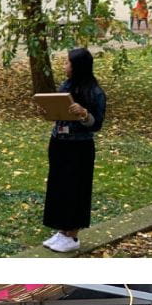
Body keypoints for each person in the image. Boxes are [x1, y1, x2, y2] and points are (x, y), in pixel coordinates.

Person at [41, 47, 105, 253]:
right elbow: (59, 114)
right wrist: (47, 110)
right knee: (59, 187)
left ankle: (73, 235)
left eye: (68, 62)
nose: (65, 66)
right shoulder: (66, 86)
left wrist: (84, 114)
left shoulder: (95, 92)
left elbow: (96, 124)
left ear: (78, 66)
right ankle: (62, 231)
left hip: (80, 146)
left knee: (76, 188)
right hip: (59, 142)